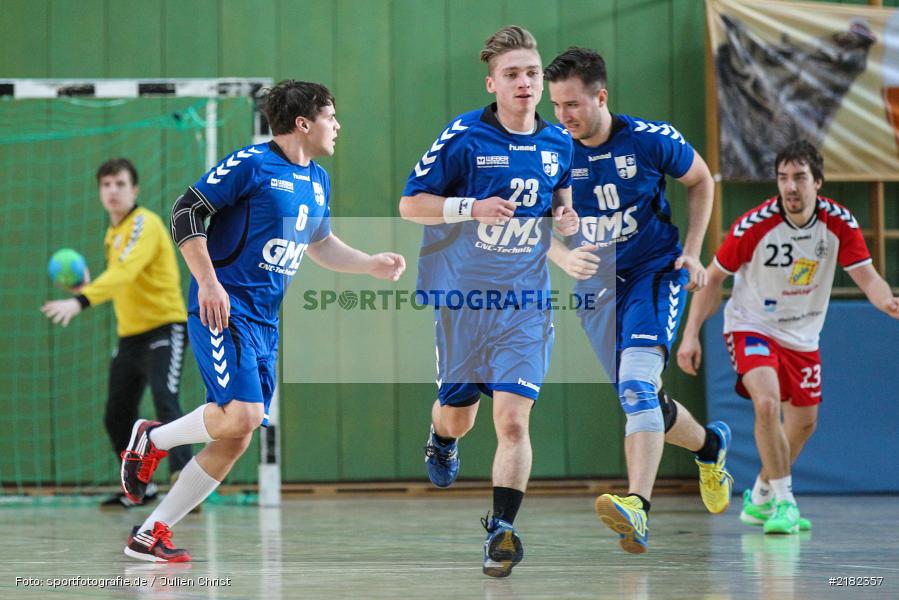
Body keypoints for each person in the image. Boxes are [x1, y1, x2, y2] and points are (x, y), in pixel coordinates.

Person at [118, 80, 406, 562]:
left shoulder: (317, 180)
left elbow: (320, 244)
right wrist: (209, 282)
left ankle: (150, 533)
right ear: (303, 123)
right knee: (245, 416)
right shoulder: (252, 164)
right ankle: (153, 437)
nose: (337, 126)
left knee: (237, 437)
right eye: (331, 117)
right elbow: (186, 211)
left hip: (265, 324)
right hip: (222, 308)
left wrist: (370, 263)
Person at [399, 26, 578, 577]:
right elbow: (410, 205)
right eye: (512, 74)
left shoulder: (558, 143)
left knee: (513, 421)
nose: (525, 83)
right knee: (459, 418)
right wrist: (469, 209)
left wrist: (565, 221)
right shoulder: (465, 137)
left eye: (532, 73)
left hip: (525, 304)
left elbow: (560, 208)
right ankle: (440, 437)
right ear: (492, 83)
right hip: (463, 300)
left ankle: (502, 528)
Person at [544, 47, 731, 554]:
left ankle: (637, 508)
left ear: (601, 97)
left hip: (654, 273)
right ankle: (711, 447)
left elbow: (701, 181)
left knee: (635, 388)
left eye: (573, 105)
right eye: (556, 105)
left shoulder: (650, 140)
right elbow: (526, 224)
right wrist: (562, 255)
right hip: (597, 288)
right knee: (643, 399)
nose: (562, 116)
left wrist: (692, 255)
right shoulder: (550, 150)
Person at [677, 140, 899, 534]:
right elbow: (713, 278)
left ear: (818, 182)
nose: (790, 187)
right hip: (752, 325)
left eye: (799, 178)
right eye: (783, 178)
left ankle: (762, 493)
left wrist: (887, 302)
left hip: (803, 335)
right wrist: (691, 334)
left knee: (803, 424)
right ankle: (785, 502)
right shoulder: (754, 225)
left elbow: (867, 276)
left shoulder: (839, 223)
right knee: (765, 403)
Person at [41, 158, 191, 509]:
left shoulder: (146, 224)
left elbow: (126, 272)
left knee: (165, 399)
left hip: (165, 328)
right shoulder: (113, 233)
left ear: (134, 189)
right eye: (106, 185)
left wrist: (81, 300)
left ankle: (185, 481)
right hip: (130, 336)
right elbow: (123, 279)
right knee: (116, 415)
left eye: (120, 184)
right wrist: (90, 285)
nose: (112, 191)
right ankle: (142, 488)